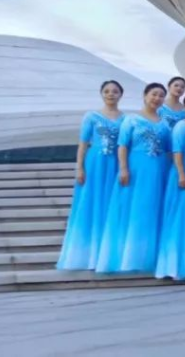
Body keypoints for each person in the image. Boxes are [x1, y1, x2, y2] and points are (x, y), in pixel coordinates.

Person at [95, 83, 172, 274]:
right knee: (134, 210)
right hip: (136, 169)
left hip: (159, 170)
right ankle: (129, 257)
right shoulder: (131, 120)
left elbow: (169, 150)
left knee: (153, 209)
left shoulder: (164, 124)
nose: (157, 98)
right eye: (154, 94)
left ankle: (150, 255)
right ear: (145, 96)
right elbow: (122, 146)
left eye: (161, 96)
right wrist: (123, 168)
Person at [58, 80, 125, 271]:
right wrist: (79, 167)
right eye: (107, 91)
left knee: (112, 205)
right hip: (95, 163)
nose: (111, 94)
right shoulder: (91, 116)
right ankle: (89, 253)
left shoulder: (126, 119)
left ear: (121, 94)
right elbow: (83, 144)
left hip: (116, 164)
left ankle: (109, 254)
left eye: (115, 91)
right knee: (92, 203)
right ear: (101, 93)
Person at [155, 93, 185, 280]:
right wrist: (182, 173)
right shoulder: (181, 127)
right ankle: (173, 264)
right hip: (184, 173)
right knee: (180, 216)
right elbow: (176, 152)